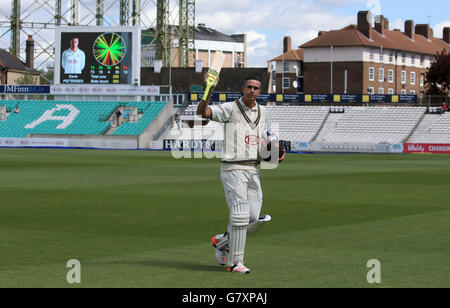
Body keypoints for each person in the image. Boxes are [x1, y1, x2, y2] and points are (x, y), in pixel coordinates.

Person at [197, 75, 286, 274]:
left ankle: (221, 242)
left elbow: (263, 139)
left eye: (256, 88)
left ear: (260, 91)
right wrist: (210, 88)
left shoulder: (263, 111)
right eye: (249, 87)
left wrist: (274, 153)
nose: (252, 91)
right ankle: (235, 262)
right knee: (239, 214)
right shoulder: (230, 108)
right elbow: (202, 112)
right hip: (233, 167)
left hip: (254, 169)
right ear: (243, 88)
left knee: (252, 217)